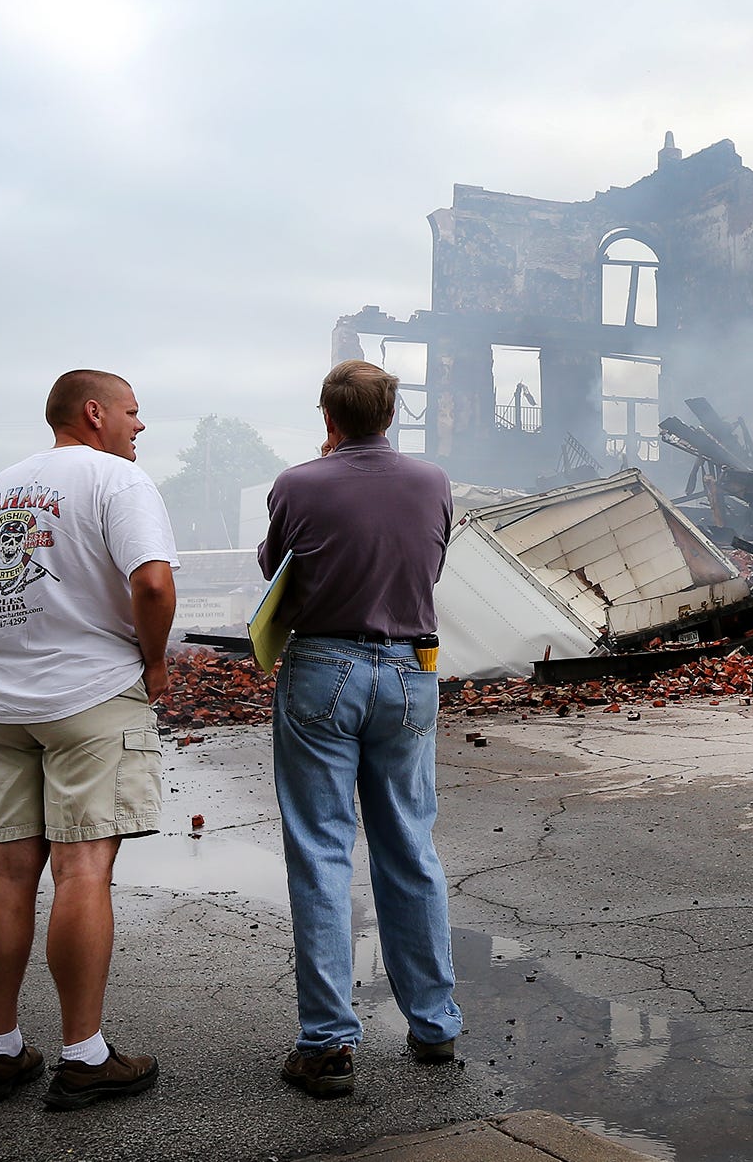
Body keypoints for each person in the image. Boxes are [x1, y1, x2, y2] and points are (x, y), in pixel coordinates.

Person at [0, 370, 176, 1111]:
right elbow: (154, 585)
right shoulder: (116, 481)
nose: (140, 426)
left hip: (4, 707)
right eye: (132, 412)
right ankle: (83, 1056)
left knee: (8, 870)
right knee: (81, 869)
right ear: (94, 413)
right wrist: (156, 662)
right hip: (92, 696)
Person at [260, 359, 461, 1098]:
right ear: (393, 413)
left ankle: (327, 1040)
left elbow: (273, 566)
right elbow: (431, 562)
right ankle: (435, 1023)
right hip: (411, 669)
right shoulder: (433, 481)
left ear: (328, 418)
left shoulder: (296, 484)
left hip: (323, 665)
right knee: (409, 842)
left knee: (320, 849)